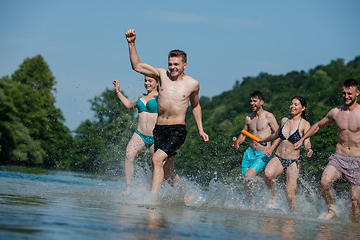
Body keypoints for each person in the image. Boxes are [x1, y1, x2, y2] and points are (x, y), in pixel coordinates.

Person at [125, 29, 209, 194]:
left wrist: (200, 129)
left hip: (176, 130)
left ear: (185, 65)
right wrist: (131, 43)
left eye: (176, 64)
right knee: (167, 170)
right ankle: (187, 197)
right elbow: (137, 66)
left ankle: (152, 200)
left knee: (156, 160)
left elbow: (195, 105)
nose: (172, 67)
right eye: (170, 64)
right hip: (159, 129)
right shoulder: (162, 75)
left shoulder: (192, 84)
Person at [294, 79, 360, 222]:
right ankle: (332, 210)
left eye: (350, 93)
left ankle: (352, 229)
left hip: (357, 161)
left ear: (357, 93)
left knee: (355, 202)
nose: (346, 96)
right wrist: (302, 139)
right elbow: (318, 125)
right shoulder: (336, 112)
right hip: (339, 157)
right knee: (324, 182)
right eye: (344, 93)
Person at [259, 96, 313, 212]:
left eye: (296, 104)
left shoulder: (305, 124)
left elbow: (307, 141)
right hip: (278, 157)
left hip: (293, 162)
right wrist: (265, 139)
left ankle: (294, 215)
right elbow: (276, 135)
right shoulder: (284, 120)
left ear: (303, 108)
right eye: (291, 104)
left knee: (290, 194)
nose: (292, 106)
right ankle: (274, 196)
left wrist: (308, 149)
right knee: (268, 174)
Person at [113, 76, 160, 195]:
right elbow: (129, 105)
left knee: (158, 166)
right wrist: (118, 92)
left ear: (157, 82)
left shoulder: (161, 97)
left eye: (150, 81)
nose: (147, 83)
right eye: (145, 80)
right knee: (128, 155)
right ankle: (128, 188)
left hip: (156, 137)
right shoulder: (141, 96)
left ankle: (155, 192)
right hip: (139, 134)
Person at [232, 91, 280, 205]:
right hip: (249, 153)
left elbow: (279, 134)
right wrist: (237, 143)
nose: (252, 103)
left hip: (263, 153)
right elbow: (244, 134)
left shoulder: (269, 116)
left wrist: (271, 149)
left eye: (255, 101)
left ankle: (267, 185)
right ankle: (251, 203)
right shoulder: (248, 118)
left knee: (248, 176)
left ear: (261, 102)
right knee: (245, 181)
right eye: (251, 101)